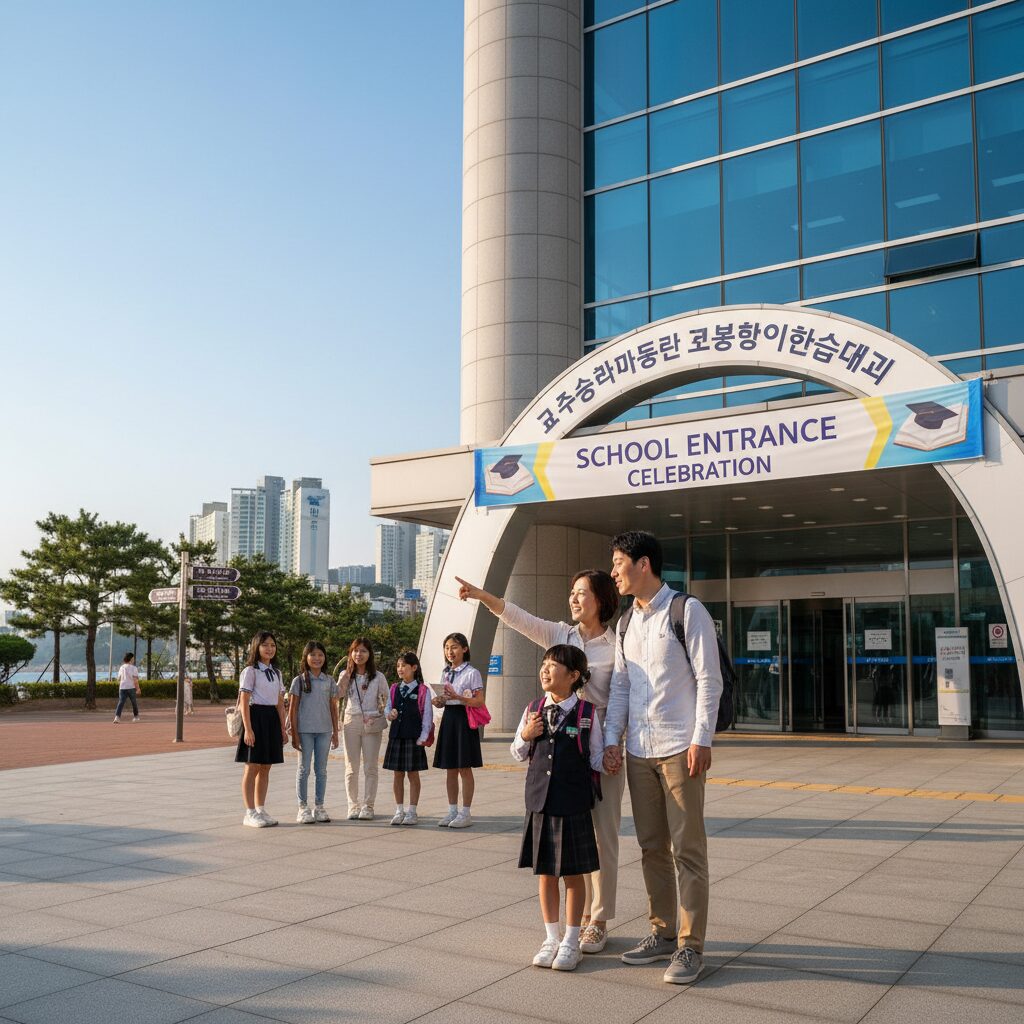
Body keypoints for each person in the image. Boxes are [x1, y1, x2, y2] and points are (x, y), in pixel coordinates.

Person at [456, 570, 623, 953]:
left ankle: (597, 919)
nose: (574, 599)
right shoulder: (561, 635)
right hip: (560, 754)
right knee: (567, 841)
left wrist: (612, 744)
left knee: (604, 837)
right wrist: (484, 596)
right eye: (572, 592)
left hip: (598, 744)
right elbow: (518, 617)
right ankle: (573, 921)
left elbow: (621, 699)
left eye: (582, 593)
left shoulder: (617, 646)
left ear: (602, 599)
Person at [603, 531, 723, 985]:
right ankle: (662, 932)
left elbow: (710, 680)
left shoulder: (686, 611)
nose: (614, 571)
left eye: (618, 563)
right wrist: (614, 738)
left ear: (644, 564)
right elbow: (620, 687)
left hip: (679, 747)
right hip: (638, 750)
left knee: (688, 850)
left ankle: (691, 947)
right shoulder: (625, 623)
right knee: (651, 847)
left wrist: (701, 739)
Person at [511, 645, 605, 973]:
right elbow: (518, 752)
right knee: (546, 873)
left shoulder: (587, 714)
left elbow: (595, 758)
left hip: (573, 804)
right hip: (540, 803)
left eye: (554, 665)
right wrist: (525, 734)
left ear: (574, 676)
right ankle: (551, 937)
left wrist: (610, 759)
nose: (545, 670)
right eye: (544, 664)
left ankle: (571, 940)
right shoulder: (533, 709)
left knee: (574, 875)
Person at [431, 631, 485, 828]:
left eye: (454, 647)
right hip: (449, 719)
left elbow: (479, 702)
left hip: (464, 720)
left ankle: (466, 812)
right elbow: (444, 701)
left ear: (464, 649)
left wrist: (458, 696)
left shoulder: (472, 673)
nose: (449, 651)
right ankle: (452, 811)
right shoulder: (445, 672)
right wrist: (438, 701)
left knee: (464, 767)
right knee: (450, 768)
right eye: (446, 648)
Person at [236, 631, 288, 828]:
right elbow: (244, 701)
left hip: (271, 719)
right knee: (252, 766)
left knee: (266, 766)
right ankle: (249, 812)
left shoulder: (276, 672)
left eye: (273, 645)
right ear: (256, 647)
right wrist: (248, 729)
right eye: (265, 645)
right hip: (255, 717)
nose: (270, 648)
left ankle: (260, 809)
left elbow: (278, 703)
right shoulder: (250, 671)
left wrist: (282, 728)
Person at [338, 637, 389, 820]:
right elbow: (338, 695)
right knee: (351, 767)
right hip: (351, 721)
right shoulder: (346, 674)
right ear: (351, 653)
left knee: (370, 766)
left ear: (370, 654)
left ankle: (368, 805)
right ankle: (353, 805)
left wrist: (383, 713)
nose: (359, 654)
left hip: (372, 721)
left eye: (363, 651)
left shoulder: (378, 676)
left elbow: (386, 698)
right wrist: (344, 677)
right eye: (355, 650)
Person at [289, 641, 340, 824]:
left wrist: (335, 732)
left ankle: (319, 806)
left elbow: (333, 708)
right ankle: (303, 808)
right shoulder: (299, 681)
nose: (317, 658)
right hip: (304, 732)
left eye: (320, 655)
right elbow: (293, 709)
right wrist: (294, 733)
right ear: (306, 657)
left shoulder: (329, 681)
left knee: (322, 770)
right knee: (303, 769)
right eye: (313, 655)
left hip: (324, 731)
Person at [383, 651, 432, 826]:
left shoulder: (423, 690)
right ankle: (399, 810)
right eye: (398, 666)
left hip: (414, 737)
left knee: (413, 774)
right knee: (397, 774)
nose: (400, 669)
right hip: (396, 735)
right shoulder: (394, 688)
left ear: (414, 667)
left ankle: (412, 811)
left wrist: (423, 737)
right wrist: (390, 714)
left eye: (403, 665)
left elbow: (427, 716)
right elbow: (387, 708)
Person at [113, 652, 141, 723]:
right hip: (131, 687)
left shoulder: (122, 667)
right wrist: (138, 688)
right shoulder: (134, 668)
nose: (134, 660)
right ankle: (136, 717)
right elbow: (135, 680)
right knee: (134, 702)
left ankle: (117, 717)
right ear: (131, 659)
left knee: (121, 702)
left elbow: (118, 678)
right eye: (133, 658)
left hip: (122, 687)